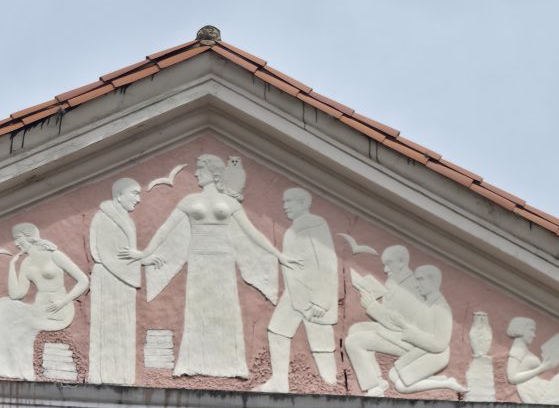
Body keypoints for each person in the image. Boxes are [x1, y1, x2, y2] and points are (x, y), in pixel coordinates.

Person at [140, 155, 279, 377]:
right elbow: (166, 229)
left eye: (200, 169)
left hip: (223, 260)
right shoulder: (189, 201)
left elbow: (251, 232)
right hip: (199, 259)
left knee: (226, 311)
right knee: (197, 312)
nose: (196, 174)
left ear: (214, 172)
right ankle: (191, 363)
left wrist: (277, 254)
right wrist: (145, 253)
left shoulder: (231, 203)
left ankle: (234, 366)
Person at [260, 188, 339, 391]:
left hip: (314, 295)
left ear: (303, 203)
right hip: (295, 294)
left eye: (290, 201)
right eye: (284, 201)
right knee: (277, 331)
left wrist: (322, 300)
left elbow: (327, 261)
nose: (285, 206)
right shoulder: (294, 229)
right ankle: (279, 381)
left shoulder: (314, 225)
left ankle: (330, 384)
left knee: (321, 344)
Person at [0, 223, 89, 381]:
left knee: (18, 327)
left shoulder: (54, 255)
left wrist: (64, 301)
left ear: (30, 237)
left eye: (18, 238)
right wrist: (11, 266)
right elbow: (16, 294)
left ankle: (5, 353)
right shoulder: (26, 263)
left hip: (59, 309)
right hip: (39, 307)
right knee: (4, 303)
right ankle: (1, 350)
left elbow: (83, 281)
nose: (15, 243)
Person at [344, 255, 457, 394]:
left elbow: (438, 344)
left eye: (420, 279)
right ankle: (376, 381)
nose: (416, 283)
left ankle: (374, 387)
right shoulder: (428, 301)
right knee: (356, 330)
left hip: (416, 346)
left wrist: (374, 308)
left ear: (433, 281)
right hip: (409, 339)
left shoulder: (440, 308)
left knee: (354, 342)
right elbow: (401, 322)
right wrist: (402, 325)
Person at [85, 180, 146, 383]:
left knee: (123, 329)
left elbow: (125, 255)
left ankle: (122, 375)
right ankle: (106, 377)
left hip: (121, 282)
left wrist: (141, 257)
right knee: (109, 330)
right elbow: (109, 254)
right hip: (111, 280)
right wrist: (140, 260)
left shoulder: (123, 219)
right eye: (134, 193)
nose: (138, 199)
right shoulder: (105, 219)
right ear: (120, 194)